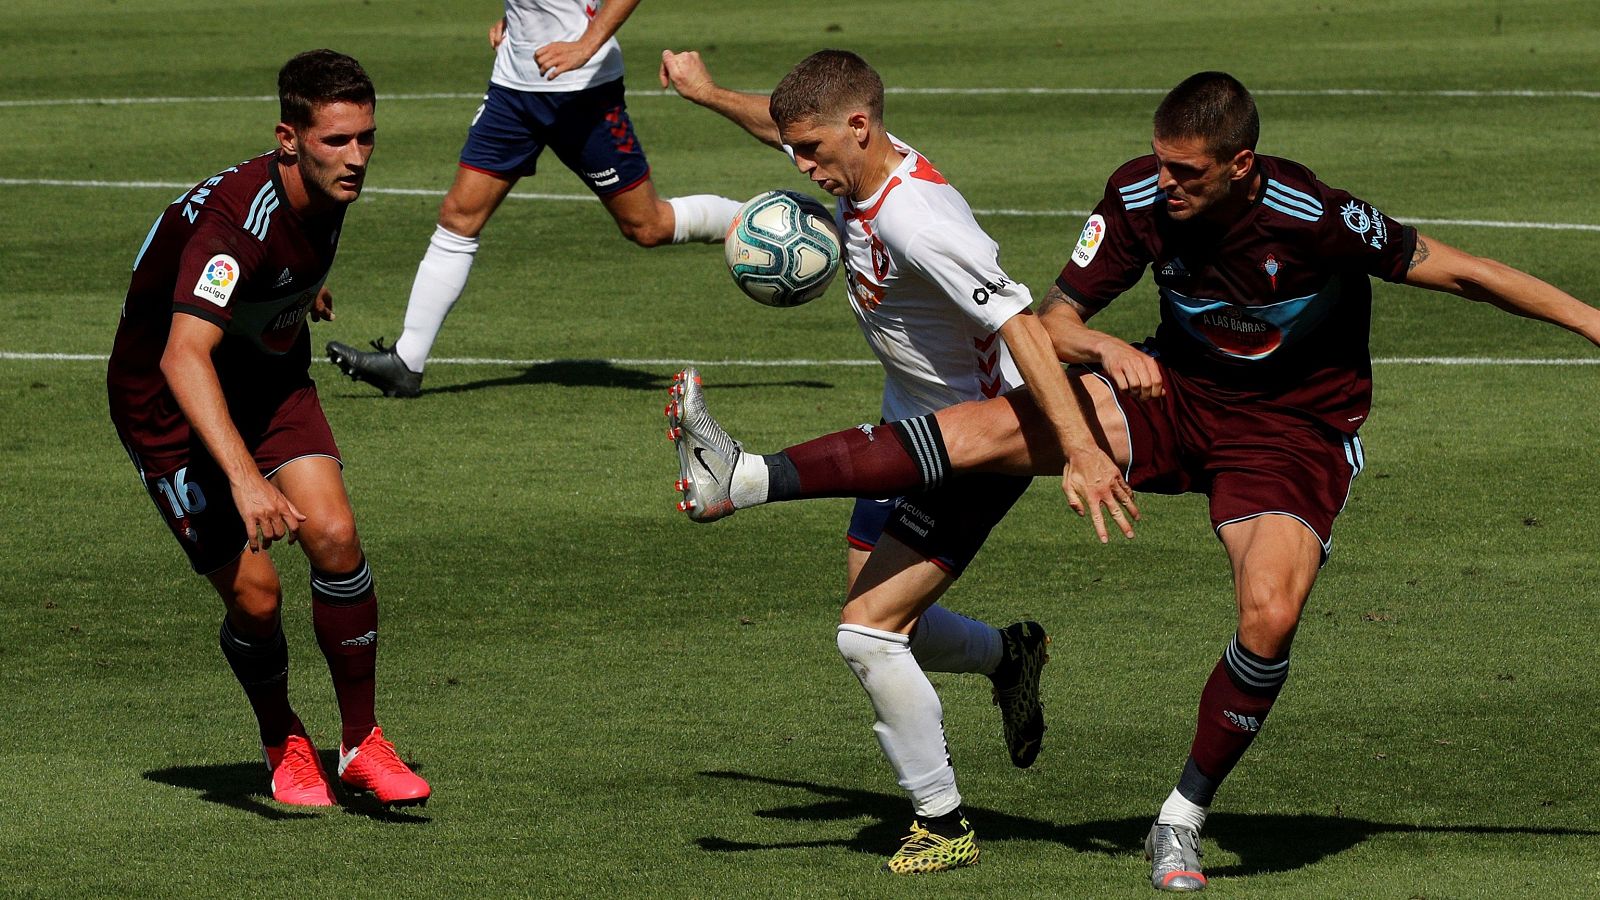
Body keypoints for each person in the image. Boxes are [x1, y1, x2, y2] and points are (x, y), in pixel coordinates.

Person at [668, 72, 1600, 890]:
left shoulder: (1313, 216)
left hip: (1291, 434)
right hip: (1172, 393)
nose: (1167, 183)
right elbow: (1056, 322)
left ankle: (1182, 816)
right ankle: (746, 476)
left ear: (1241, 166)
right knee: (991, 429)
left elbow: (1462, 271)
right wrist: (1107, 348)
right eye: (1161, 163)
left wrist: (1592, 321)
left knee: (1268, 615)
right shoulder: (1138, 197)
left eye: (1188, 171)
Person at [659, 48, 1136, 874]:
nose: (802, 168)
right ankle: (1009, 654)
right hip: (905, 422)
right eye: (795, 151)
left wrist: (1084, 449)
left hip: (971, 445)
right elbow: (775, 128)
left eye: (810, 151)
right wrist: (704, 95)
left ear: (859, 126)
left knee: (868, 636)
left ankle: (943, 823)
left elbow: (1021, 324)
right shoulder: (851, 157)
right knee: (885, 615)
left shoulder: (920, 219)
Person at [108, 50, 431, 808]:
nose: (357, 159)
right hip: (167, 404)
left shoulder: (324, 190)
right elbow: (183, 356)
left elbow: (279, 261)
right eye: (336, 143)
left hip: (267, 377)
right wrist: (246, 480)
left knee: (337, 537)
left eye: (367, 139)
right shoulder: (235, 228)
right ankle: (281, 733)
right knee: (255, 600)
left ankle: (359, 745)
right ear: (289, 138)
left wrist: (301, 290)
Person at [326, 0, 742, 397]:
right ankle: (406, 362)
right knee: (459, 215)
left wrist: (585, 44)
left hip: (583, 91)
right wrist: (516, 19)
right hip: (513, 89)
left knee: (647, 226)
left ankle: (757, 218)